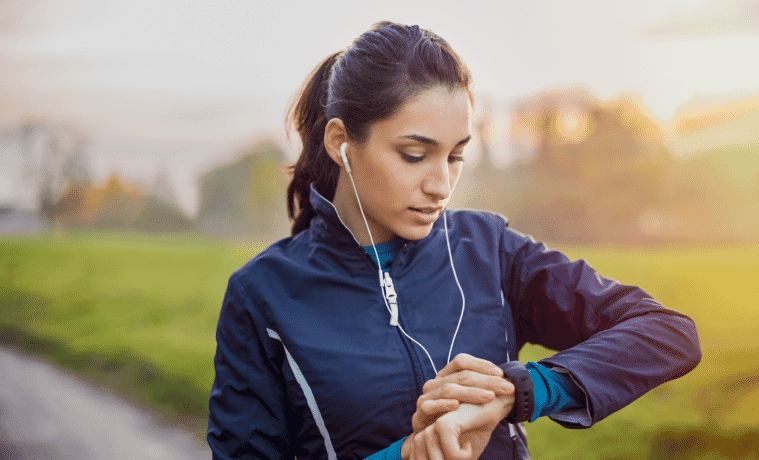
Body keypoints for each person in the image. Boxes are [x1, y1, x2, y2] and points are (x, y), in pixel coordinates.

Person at [207, 21, 701, 460]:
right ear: (341, 142)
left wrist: (521, 389)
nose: (441, 185)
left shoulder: (490, 249)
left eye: (456, 156)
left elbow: (667, 334)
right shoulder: (262, 295)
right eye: (415, 154)